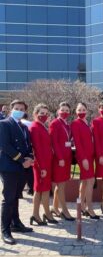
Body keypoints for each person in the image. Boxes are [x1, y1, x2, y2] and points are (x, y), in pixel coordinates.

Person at [0, 99, 34, 245]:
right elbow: (5, 146)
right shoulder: (4, 124)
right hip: (9, 167)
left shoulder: (23, 127)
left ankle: (16, 223)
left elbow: (28, 145)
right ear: (11, 109)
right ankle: (5, 230)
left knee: (16, 197)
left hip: (22, 168)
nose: (19, 110)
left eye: (22, 108)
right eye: (16, 108)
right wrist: (22, 160)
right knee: (8, 199)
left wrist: (30, 157)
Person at [29, 104, 57, 226]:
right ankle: (37, 214)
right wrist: (42, 168)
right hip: (41, 165)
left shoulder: (42, 126)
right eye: (41, 113)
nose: (44, 116)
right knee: (39, 190)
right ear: (35, 114)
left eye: (46, 113)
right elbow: (37, 149)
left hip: (46, 163)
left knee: (44, 190)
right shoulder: (35, 127)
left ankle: (44, 213)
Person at [71, 103, 98, 219]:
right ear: (75, 111)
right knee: (90, 181)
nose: (81, 111)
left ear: (87, 111)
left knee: (85, 182)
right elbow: (77, 143)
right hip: (84, 157)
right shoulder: (75, 124)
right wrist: (83, 159)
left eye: (83, 109)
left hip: (90, 156)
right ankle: (89, 208)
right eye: (79, 110)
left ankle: (81, 206)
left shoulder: (87, 122)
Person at [49, 102, 74, 221]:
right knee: (61, 185)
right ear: (58, 111)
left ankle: (54, 208)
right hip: (60, 160)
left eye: (67, 110)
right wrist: (60, 158)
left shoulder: (67, 124)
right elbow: (54, 143)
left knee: (61, 185)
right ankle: (64, 210)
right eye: (62, 110)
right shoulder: (54, 123)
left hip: (67, 158)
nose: (64, 112)